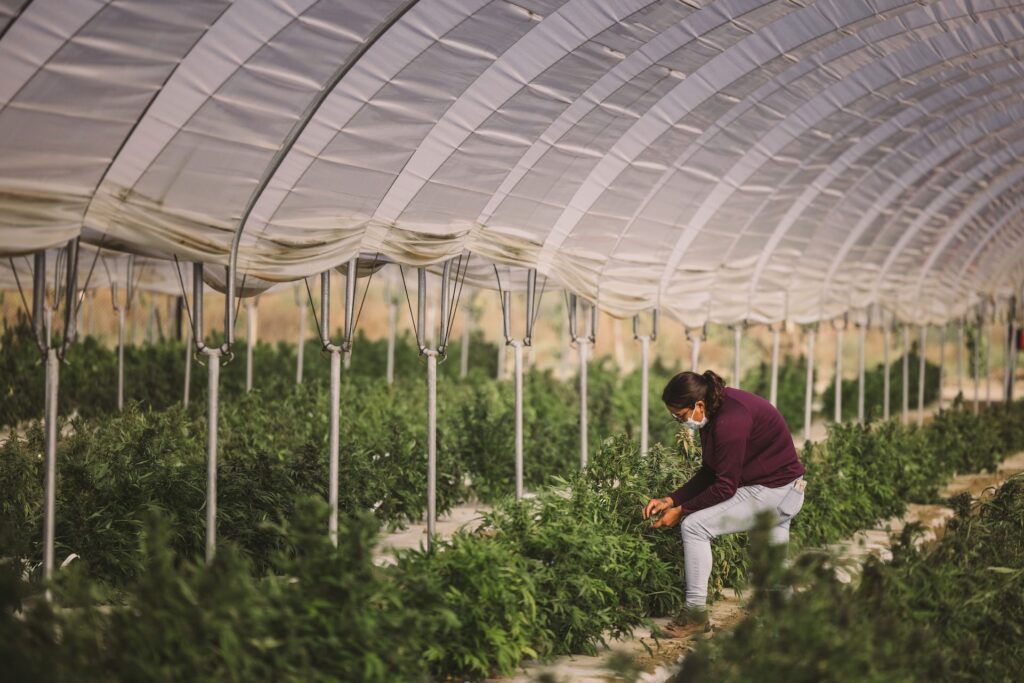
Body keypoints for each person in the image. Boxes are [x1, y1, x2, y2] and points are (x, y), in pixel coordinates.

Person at [642, 370, 806, 635]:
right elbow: (711, 471)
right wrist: (670, 499)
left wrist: (681, 511)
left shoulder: (730, 421)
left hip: (774, 491)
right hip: (785, 490)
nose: (679, 422)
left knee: (694, 526)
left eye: (680, 416)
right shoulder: (716, 412)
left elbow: (725, 487)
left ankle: (695, 615)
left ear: (698, 405)